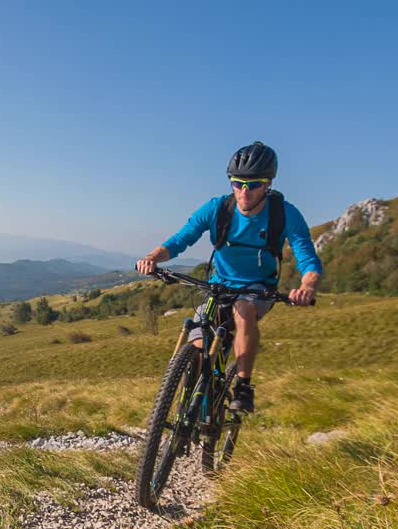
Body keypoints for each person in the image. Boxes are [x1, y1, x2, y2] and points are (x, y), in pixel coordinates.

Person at [136, 141, 322, 413]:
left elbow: (308, 258)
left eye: (254, 184)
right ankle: (191, 409)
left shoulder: (285, 214)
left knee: (243, 310)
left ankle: (244, 388)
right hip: (219, 285)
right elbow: (180, 240)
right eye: (237, 183)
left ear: (268, 183)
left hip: (258, 289)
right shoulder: (217, 209)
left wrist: (306, 286)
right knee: (198, 342)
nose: (244, 191)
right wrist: (152, 258)